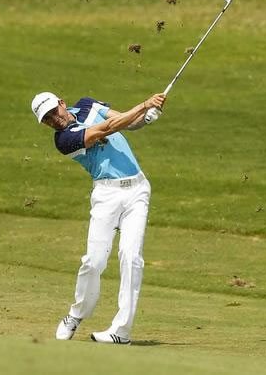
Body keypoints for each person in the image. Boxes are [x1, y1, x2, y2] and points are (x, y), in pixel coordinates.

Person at [30, 90, 166, 344]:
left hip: (138, 189)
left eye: (53, 111)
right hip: (106, 195)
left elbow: (128, 122)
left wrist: (147, 116)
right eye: (46, 119)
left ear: (62, 103)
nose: (53, 119)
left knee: (131, 258)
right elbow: (108, 128)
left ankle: (121, 331)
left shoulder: (87, 105)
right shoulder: (64, 140)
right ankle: (76, 315)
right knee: (94, 261)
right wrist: (144, 104)